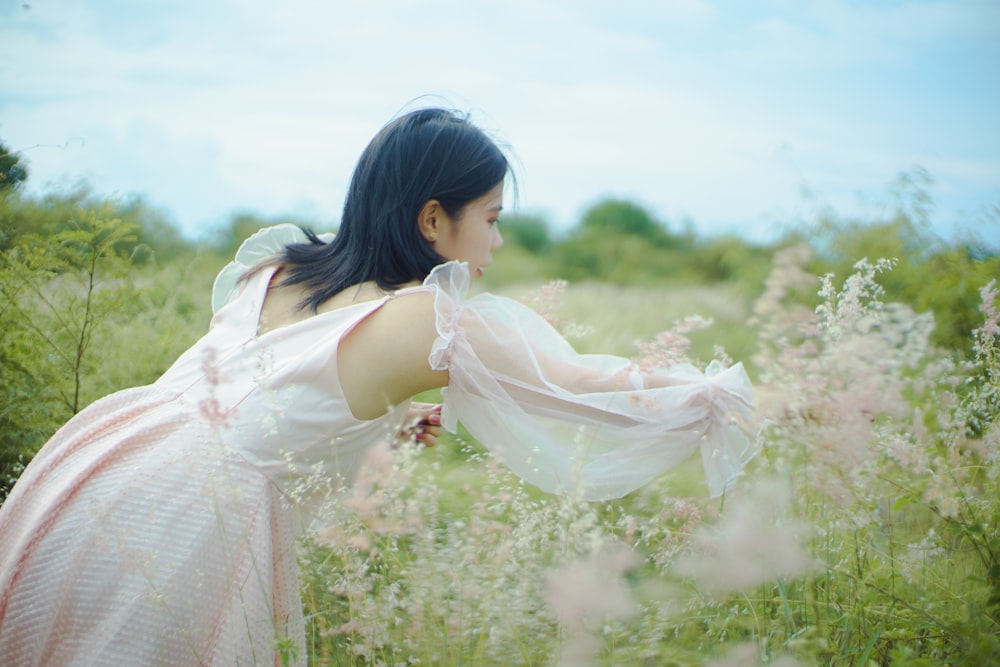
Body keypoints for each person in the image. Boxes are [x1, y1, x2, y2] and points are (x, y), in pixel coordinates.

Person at [0, 107, 754, 665]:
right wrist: (710, 393)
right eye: (490, 219)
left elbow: (270, 383)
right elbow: (576, 383)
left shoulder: (285, 264)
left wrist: (376, 418)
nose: (495, 243)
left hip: (103, 461)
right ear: (434, 219)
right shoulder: (425, 318)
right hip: (193, 517)